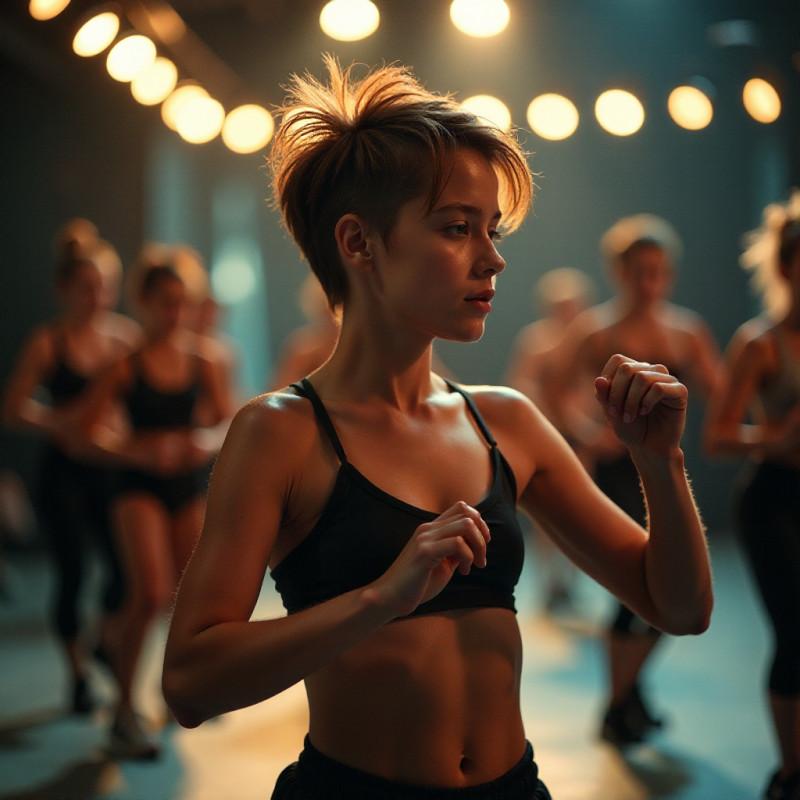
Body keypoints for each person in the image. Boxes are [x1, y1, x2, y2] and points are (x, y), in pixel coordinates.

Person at [161, 58, 712, 799]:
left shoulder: (507, 421)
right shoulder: (281, 433)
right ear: (358, 244)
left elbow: (678, 607)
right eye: (458, 228)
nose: (492, 258)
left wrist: (661, 465)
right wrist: (381, 598)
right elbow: (190, 684)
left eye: (492, 230)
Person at [545, 214, 720, 746]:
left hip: (665, 469)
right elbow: (554, 390)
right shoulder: (596, 330)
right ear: (618, 272)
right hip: (616, 468)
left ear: (668, 274)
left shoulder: (686, 332)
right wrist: (587, 431)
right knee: (635, 587)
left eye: (657, 271)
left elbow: (722, 389)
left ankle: (625, 697)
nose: (648, 282)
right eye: (638, 270)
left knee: (677, 580)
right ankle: (621, 702)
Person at [80, 248, 234, 758]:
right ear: (144, 302)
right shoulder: (125, 363)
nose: (175, 313)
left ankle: (173, 692)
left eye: (182, 302)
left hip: (185, 484)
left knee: (186, 600)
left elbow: (228, 423)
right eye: (165, 302)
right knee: (148, 592)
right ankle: (123, 712)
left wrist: (200, 443)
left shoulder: (205, 359)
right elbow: (87, 432)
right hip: (135, 486)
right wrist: (138, 449)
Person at [3, 228, 138, 716]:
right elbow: (13, 408)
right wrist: (60, 421)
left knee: (125, 572)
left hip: (112, 468)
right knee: (72, 572)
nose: (96, 296)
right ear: (65, 289)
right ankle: (78, 676)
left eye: (104, 285)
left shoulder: (126, 338)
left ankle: (105, 642)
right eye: (86, 286)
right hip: (63, 471)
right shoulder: (48, 342)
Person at [703, 190, 800, 800]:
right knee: (796, 631)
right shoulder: (761, 343)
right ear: (787, 268)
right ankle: (790, 772)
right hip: (775, 500)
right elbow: (716, 436)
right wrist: (775, 435)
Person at [505, 267, 595, 615]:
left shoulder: (589, 341)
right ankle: (550, 585)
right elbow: (520, 384)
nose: (569, 313)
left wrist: (589, 421)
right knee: (547, 515)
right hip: (547, 434)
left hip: (578, 436)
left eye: (574, 306)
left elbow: (592, 386)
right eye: (562, 306)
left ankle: (571, 583)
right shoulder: (537, 343)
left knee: (582, 510)